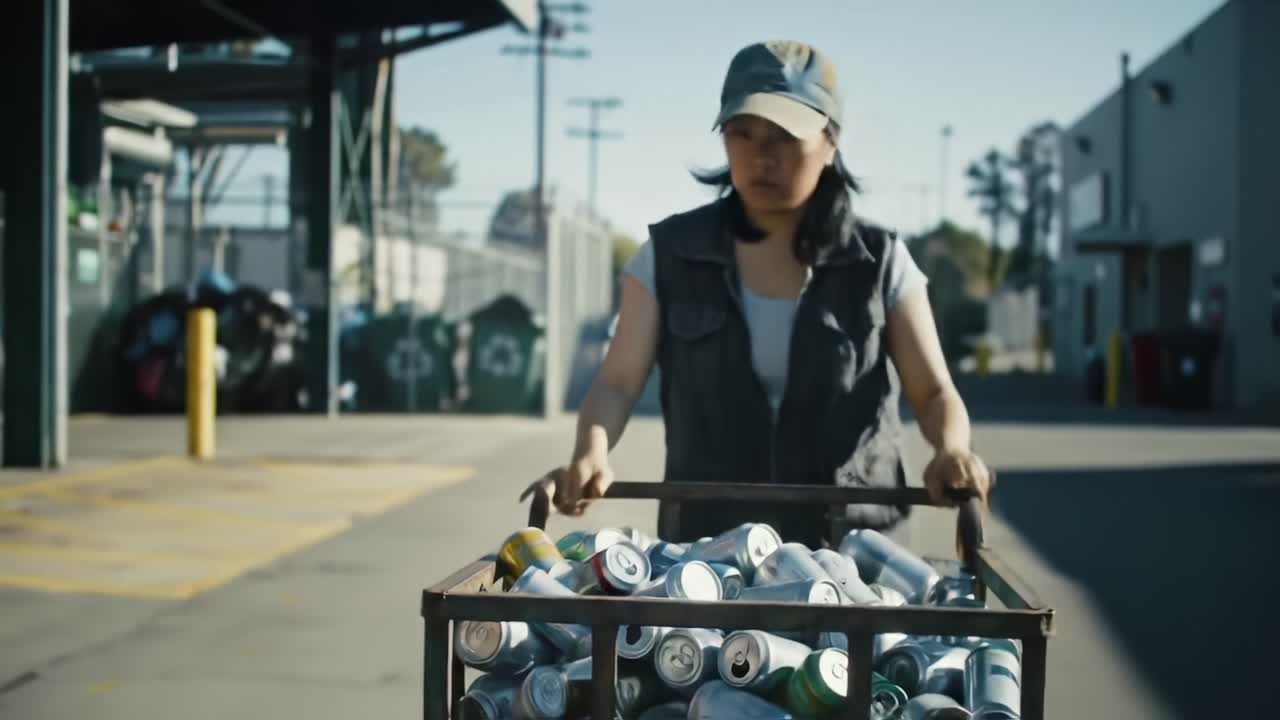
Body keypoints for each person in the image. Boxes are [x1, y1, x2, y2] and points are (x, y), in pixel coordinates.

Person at [524, 40, 992, 547]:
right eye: (741, 133)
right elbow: (617, 382)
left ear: (830, 142)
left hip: (860, 555)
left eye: (785, 137)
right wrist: (591, 452)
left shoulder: (880, 262)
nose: (760, 156)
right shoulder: (666, 257)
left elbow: (933, 391)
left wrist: (951, 448)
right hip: (711, 559)